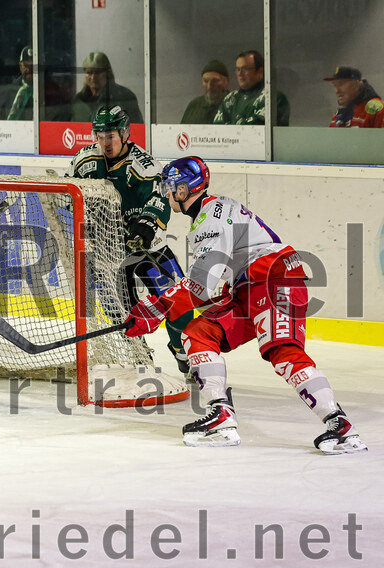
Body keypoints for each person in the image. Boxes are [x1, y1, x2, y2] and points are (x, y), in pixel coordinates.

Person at [125, 156, 367, 453]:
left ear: (185, 190)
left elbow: (201, 285)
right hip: (249, 287)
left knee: (283, 353)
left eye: (170, 186)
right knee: (198, 333)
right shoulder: (211, 212)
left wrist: (159, 306)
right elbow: (211, 286)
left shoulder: (209, 218)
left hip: (275, 278)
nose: (167, 192)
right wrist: (161, 307)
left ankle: (339, 424)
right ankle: (221, 417)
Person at [67, 106, 193, 379]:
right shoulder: (83, 161)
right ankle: (137, 350)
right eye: (99, 135)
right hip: (106, 251)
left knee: (180, 304)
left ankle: (182, 351)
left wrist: (144, 227)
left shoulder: (143, 164)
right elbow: (69, 196)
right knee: (120, 309)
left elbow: (159, 200)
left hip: (149, 248)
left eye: (110, 135)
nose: (104, 142)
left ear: (124, 133)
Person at [213, 50, 289, 126]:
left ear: (260, 71)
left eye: (245, 69)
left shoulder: (272, 97)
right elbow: (217, 129)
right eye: (238, 69)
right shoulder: (230, 98)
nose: (240, 73)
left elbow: (256, 130)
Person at [70, 52, 142, 124]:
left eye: (98, 72)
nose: (93, 77)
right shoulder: (78, 101)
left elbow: (137, 129)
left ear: (107, 73)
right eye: (89, 72)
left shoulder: (125, 97)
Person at [180, 60, 231, 124]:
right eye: (206, 81)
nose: (209, 86)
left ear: (227, 81)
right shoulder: (194, 106)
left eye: (215, 81)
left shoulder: (235, 105)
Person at [4, 47, 34, 121]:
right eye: (26, 65)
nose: (29, 70)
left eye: (33, 66)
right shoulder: (11, 90)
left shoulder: (49, 89)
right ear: (21, 66)